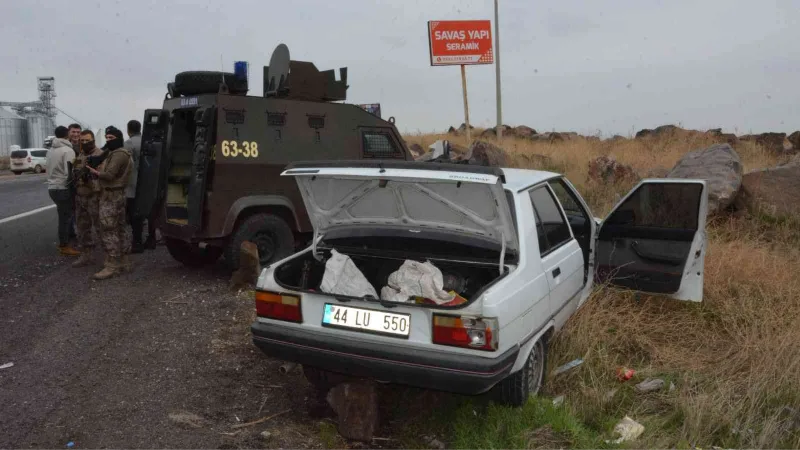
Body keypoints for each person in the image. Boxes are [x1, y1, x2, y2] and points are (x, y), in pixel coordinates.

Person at [86, 126, 133, 280]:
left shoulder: (118, 154)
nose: (108, 141)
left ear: (119, 138)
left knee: (108, 229)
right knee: (120, 228)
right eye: (106, 138)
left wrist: (95, 173)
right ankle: (124, 261)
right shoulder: (120, 153)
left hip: (110, 196)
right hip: (118, 194)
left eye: (111, 138)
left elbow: (109, 175)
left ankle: (112, 265)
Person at [70, 129, 104, 268]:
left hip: (95, 196)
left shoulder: (101, 155)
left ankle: (110, 258)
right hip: (81, 196)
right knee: (82, 228)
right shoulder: (80, 155)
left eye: (87, 140)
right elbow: (75, 172)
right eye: (82, 141)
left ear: (93, 140)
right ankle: (86, 255)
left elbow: (105, 175)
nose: (84, 143)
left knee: (101, 228)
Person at [45, 126, 80, 256]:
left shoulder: (50, 150)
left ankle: (68, 238)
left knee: (63, 215)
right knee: (65, 218)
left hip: (52, 187)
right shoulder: (68, 150)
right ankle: (64, 245)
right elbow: (70, 173)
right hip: (63, 187)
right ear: (67, 135)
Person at [124, 119, 144, 253]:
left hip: (132, 184)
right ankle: (149, 238)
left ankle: (136, 242)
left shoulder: (128, 143)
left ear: (128, 130)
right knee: (143, 213)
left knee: (133, 213)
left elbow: (125, 164)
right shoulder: (147, 140)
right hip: (146, 183)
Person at [66, 123, 82, 242]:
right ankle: (70, 232)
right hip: (69, 181)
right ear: (68, 132)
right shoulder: (66, 146)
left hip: (81, 181)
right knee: (71, 208)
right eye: (73, 132)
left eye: (78, 132)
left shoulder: (82, 145)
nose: (76, 134)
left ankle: (78, 231)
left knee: (80, 207)